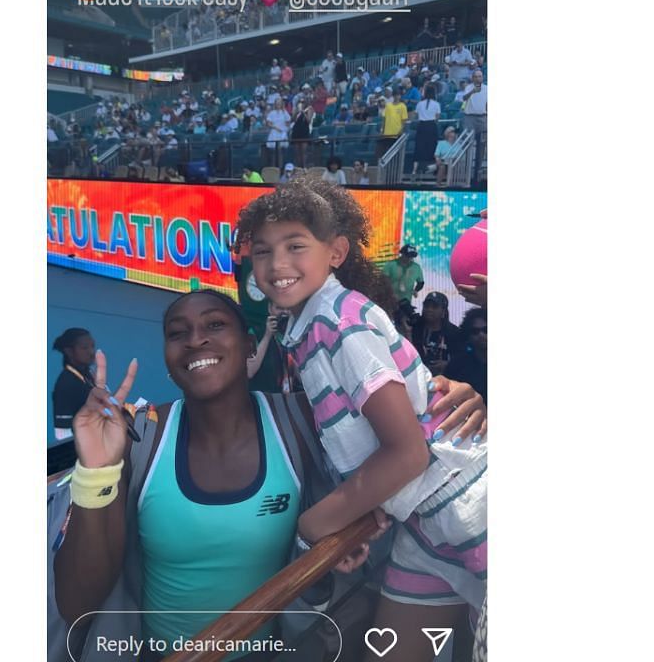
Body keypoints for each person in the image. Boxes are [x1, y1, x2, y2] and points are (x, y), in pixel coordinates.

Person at [51, 294, 488, 662]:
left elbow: (408, 430)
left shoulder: (305, 420)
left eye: (215, 324)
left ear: (249, 347)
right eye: (176, 333)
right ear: (167, 360)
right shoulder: (140, 437)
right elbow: (77, 605)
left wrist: (457, 401)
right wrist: (96, 471)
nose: (195, 339)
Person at [233, 179, 487, 660]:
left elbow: (408, 452)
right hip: (423, 522)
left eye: (295, 246)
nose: (276, 265)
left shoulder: (339, 324)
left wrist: (315, 526)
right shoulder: (311, 328)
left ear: (336, 252)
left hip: (467, 507)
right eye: (263, 251)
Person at [51, 328, 96, 430]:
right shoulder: (66, 383)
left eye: (92, 346)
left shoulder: (88, 376)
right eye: (85, 348)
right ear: (69, 351)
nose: (91, 352)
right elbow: (62, 431)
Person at [410, 292, 462, 377]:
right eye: (426, 306)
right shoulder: (415, 328)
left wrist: (447, 364)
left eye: (434, 307)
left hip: (445, 379)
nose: (429, 309)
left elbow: (461, 358)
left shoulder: (454, 332)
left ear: (443, 311)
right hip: (417, 376)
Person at [445, 307, 486, 402]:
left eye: (486, 330)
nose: (481, 335)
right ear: (468, 335)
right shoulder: (457, 364)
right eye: (475, 331)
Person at [461, 69, 487, 182]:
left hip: (482, 118)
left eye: (479, 76)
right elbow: (464, 98)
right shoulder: (468, 87)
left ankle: (478, 174)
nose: (477, 78)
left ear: (482, 77)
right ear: (472, 78)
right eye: (475, 76)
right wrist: (473, 91)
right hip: (469, 118)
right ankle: (466, 172)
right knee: (468, 145)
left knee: (481, 147)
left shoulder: (487, 88)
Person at [412, 84, 441, 177]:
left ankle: (415, 170)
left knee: (419, 147)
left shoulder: (420, 104)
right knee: (432, 147)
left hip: (421, 126)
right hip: (431, 126)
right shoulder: (436, 104)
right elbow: (437, 118)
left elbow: (415, 115)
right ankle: (431, 169)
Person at [376, 93, 408, 164]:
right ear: (393, 96)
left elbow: (404, 120)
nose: (397, 96)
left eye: (398, 95)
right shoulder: (388, 105)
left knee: (394, 154)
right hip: (387, 134)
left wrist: (401, 130)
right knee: (382, 151)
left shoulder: (403, 106)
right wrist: (382, 130)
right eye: (395, 95)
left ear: (400, 96)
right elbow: (384, 119)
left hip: (396, 135)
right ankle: (381, 165)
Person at [264, 95, 291, 169]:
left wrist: (284, 127)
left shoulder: (284, 112)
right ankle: (273, 168)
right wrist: (275, 127)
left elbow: (288, 121)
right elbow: (268, 123)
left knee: (280, 152)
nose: (278, 104)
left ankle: (280, 168)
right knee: (273, 152)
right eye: (277, 103)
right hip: (274, 133)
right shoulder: (272, 113)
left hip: (282, 133)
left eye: (279, 103)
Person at [290, 101, 315, 168]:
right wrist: (296, 113)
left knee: (303, 151)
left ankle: (304, 166)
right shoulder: (296, 111)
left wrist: (303, 112)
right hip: (296, 131)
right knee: (297, 152)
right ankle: (299, 166)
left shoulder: (309, 109)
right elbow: (292, 120)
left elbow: (308, 121)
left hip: (304, 131)